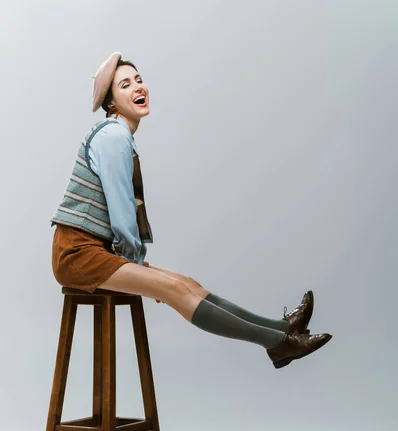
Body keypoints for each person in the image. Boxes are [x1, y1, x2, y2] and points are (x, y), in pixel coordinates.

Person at [50, 51, 332, 369]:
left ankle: (281, 329)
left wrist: (139, 266)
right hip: (77, 254)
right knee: (173, 289)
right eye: (125, 84)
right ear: (112, 102)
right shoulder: (113, 136)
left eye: (139, 80)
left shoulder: (118, 136)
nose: (137, 88)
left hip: (95, 249)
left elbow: (122, 220)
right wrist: (141, 270)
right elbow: (122, 212)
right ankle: (279, 343)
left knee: (187, 283)